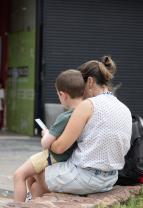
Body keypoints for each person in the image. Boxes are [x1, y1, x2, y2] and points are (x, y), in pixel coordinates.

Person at [26, 56, 132, 199]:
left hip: (85, 177)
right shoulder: (124, 108)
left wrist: (47, 137)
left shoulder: (88, 105)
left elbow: (59, 148)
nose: (80, 91)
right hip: (110, 178)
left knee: (33, 171)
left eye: (81, 85)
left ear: (89, 82)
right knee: (35, 186)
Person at [13, 69, 84, 202]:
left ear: (63, 95)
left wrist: (46, 133)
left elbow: (45, 144)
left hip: (52, 158)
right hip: (67, 160)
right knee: (33, 184)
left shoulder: (65, 116)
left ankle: (18, 206)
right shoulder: (84, 113)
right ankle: (33, 200)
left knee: (19, 175)